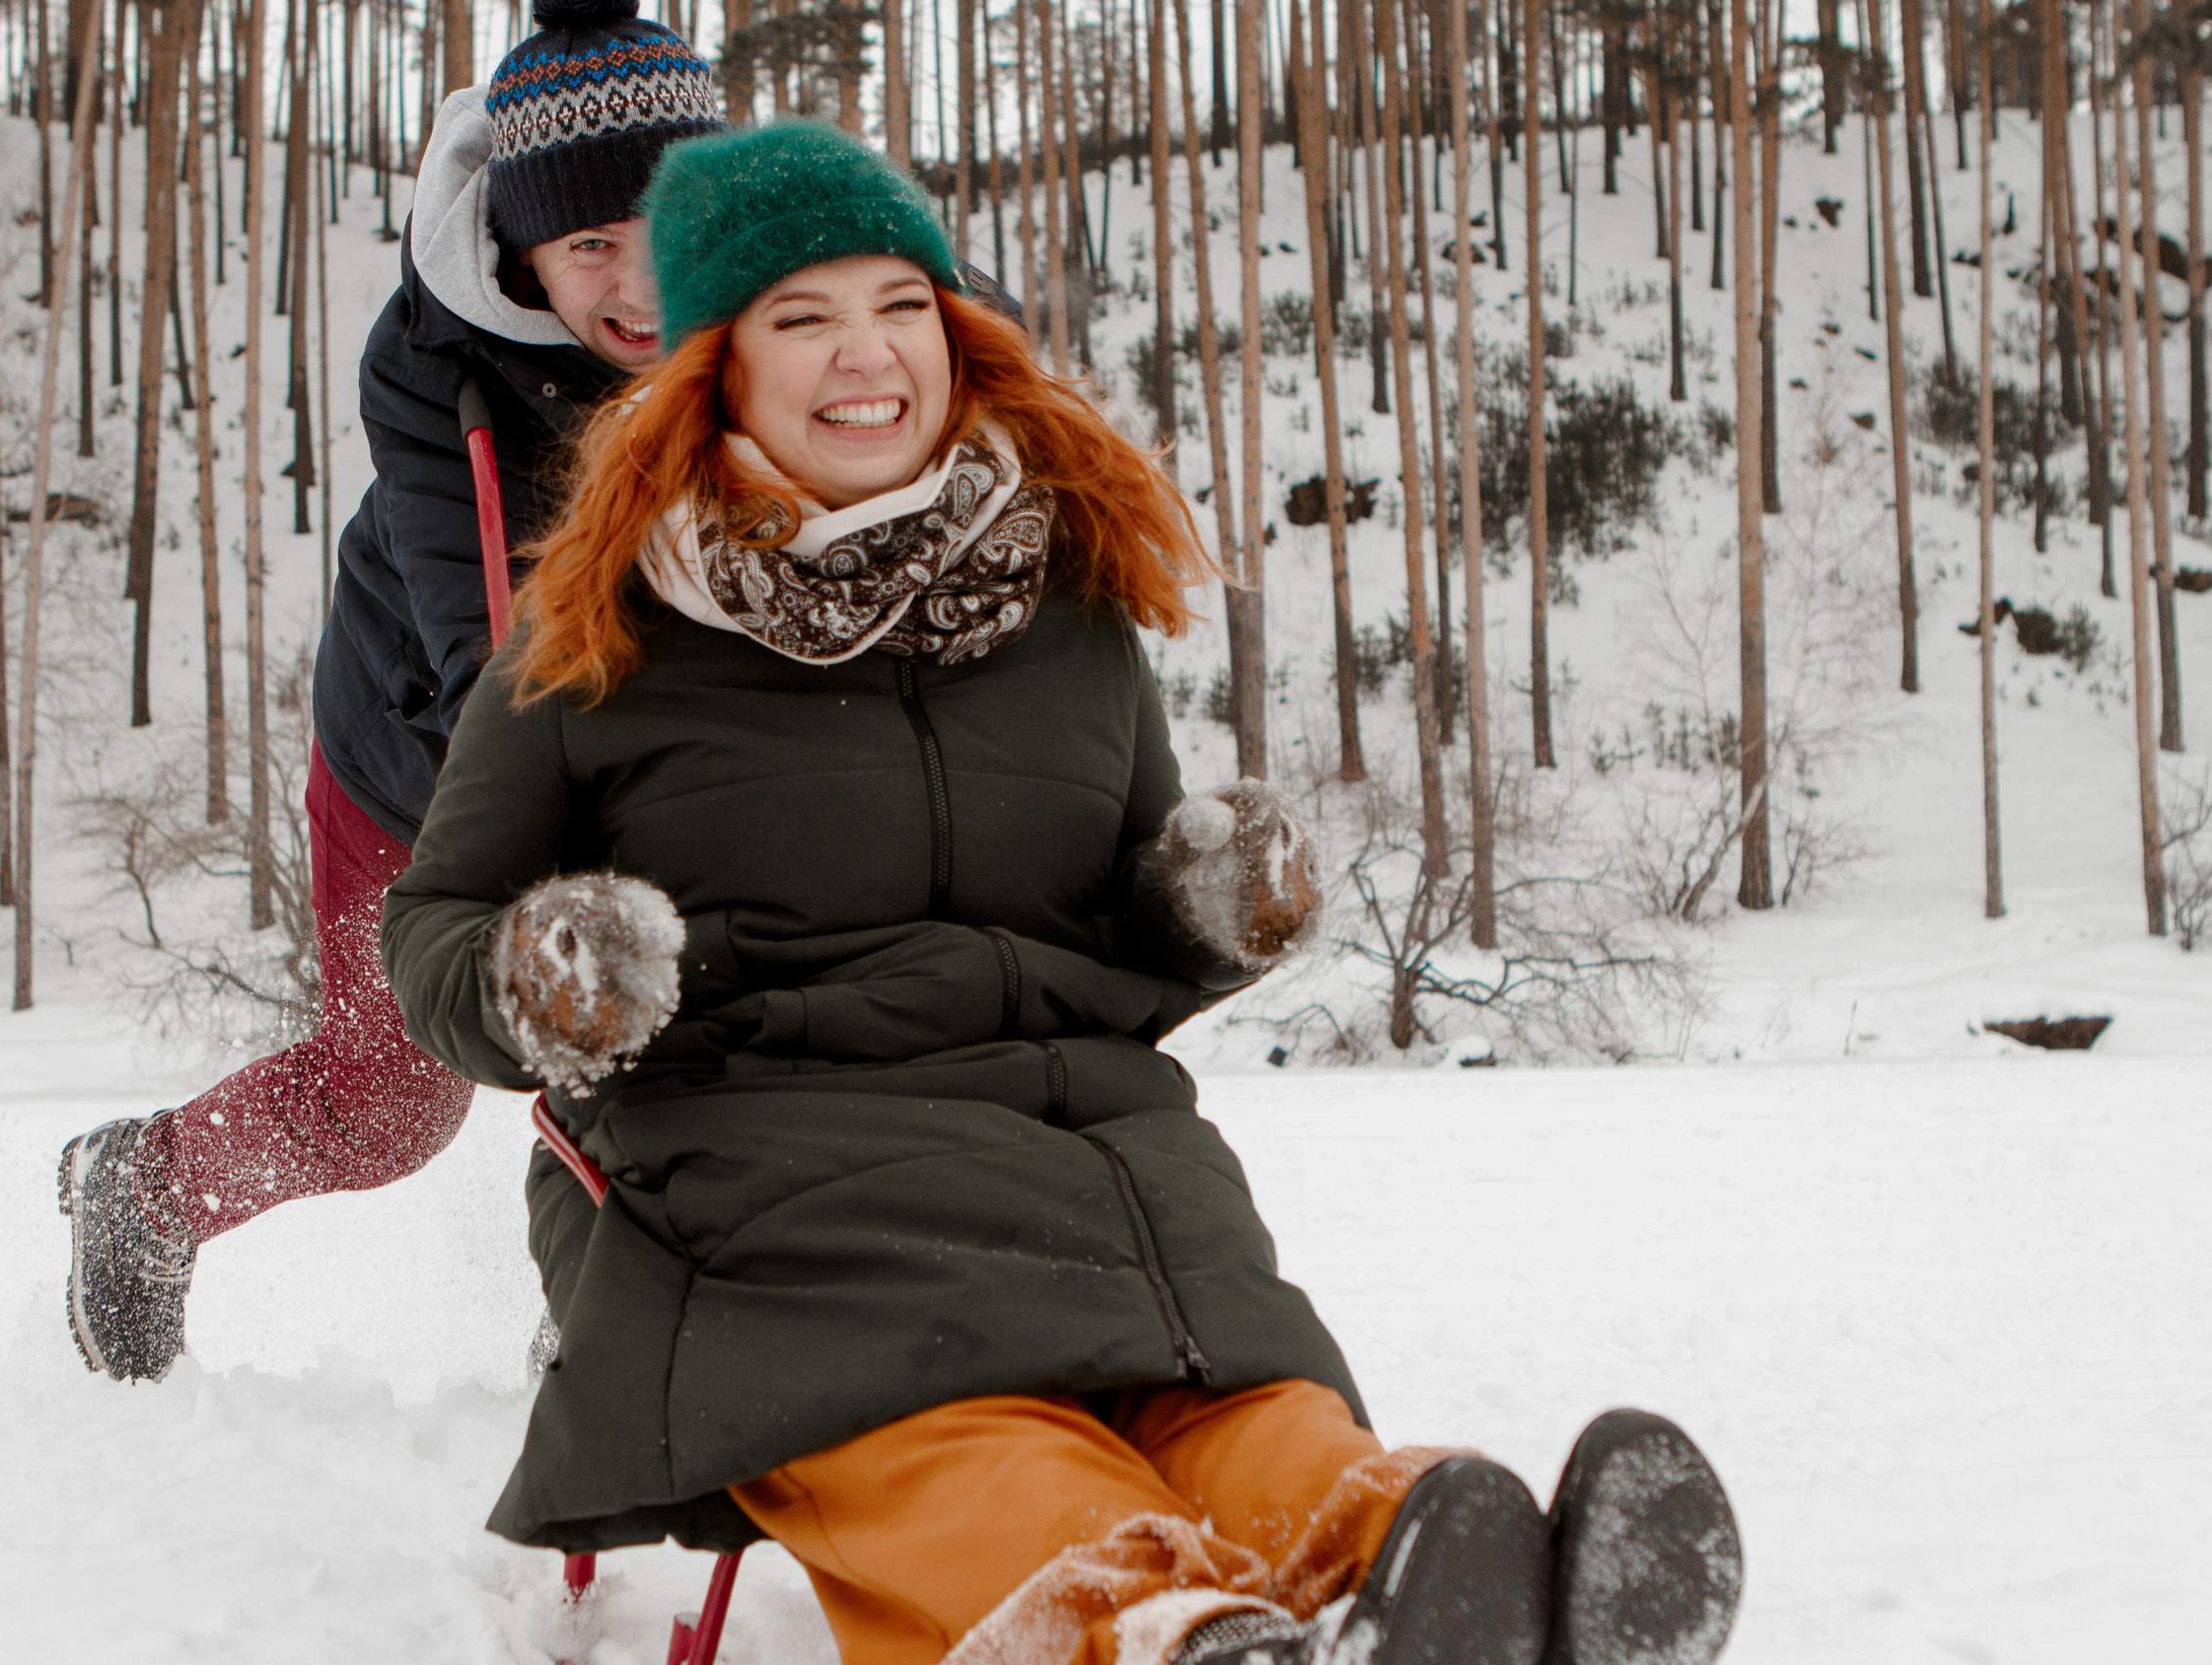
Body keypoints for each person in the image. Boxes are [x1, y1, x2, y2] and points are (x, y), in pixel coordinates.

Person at [382, 122, 1745, 1665]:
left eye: (901, 303)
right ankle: (1153, 1637)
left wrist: (1202, 910)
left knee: (1247, 1417)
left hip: (1083, 1150)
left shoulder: (1066, 606)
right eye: (802, 317)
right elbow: (430, 926)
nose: (866, 354)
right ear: (716, 369)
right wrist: (544, 979)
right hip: (762, 1173)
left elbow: (1116, 934)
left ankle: (1435, 1573)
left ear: (957, 334)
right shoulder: (594, 635)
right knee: (965, 1443)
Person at [56, 0, 725, 1383]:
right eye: (592, 245)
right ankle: (151, 1188)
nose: (642, 286)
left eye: (668, 226)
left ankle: (615, 1315)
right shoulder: (435, 366)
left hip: (697, 758)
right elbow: (486, 638)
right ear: (522, 247)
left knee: (712, 1030)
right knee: (388, 1108)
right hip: (420, 768)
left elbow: (952, 336)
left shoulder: (786, 296)